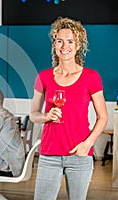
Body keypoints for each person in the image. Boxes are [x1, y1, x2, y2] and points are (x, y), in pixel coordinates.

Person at [30, 17, 108, 200]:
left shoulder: (91, 77)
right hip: (49, 154)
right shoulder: (44, 77)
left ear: (78, 45)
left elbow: (102, 117)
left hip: (79, 154)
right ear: (54, 45)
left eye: (70, 41)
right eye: (59, 41)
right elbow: (33, 114)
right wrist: (46, 116)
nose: (64, 46)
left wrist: (88, 144)